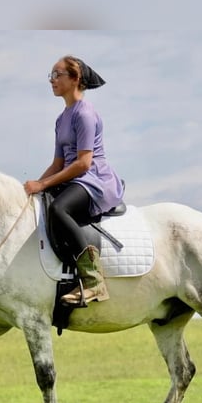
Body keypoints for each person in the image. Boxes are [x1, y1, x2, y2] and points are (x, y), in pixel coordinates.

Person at [24, 55, 124, 306]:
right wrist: (33, 187)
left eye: (58, 75)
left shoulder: (85, 114)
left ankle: (94, 282)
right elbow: (58, 164)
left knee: (59, 209)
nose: (52, 80)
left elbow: (83, 163)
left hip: (93, 180)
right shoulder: (62, 118)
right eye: (51, 75)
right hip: (73, 178)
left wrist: (44, 185)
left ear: (75, 79)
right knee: (41, 205)